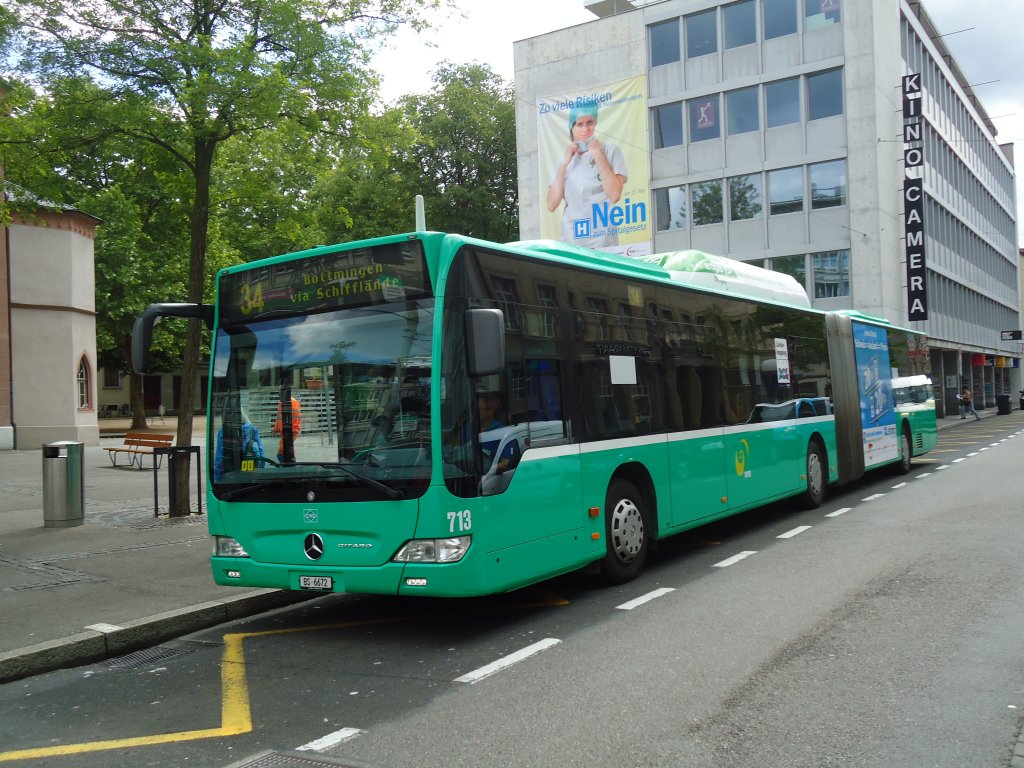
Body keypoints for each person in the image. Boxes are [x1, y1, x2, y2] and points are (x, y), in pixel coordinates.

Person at [546, 101, 628, 249]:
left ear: (595, 124)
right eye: (580, 124)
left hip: (604, 242)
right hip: (573, 241)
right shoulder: (564, 161)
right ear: (572, 128)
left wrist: (597, 153)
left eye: (589, 123)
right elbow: (551, 205)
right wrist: (564, 164)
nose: (586, 129)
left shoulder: (610, 151)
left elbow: (614, 194)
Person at [214, 410, 266, 481]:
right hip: (252, 474)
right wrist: (260, 471)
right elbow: (261, 453)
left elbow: (219, 458)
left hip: (232, 476)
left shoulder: (223, 432)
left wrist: (219, 479)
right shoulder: (252, 429)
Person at [272, 395, 302, 462]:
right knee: (286, 450)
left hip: (290, 431)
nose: (279, 393)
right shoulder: (282, 403)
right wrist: (275, 429)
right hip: (286, 431)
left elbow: (295, 418)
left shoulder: (292, 403)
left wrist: (292, 432)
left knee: (282, 450)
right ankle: (290, 463)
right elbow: (279, 418)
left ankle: (290, 464)